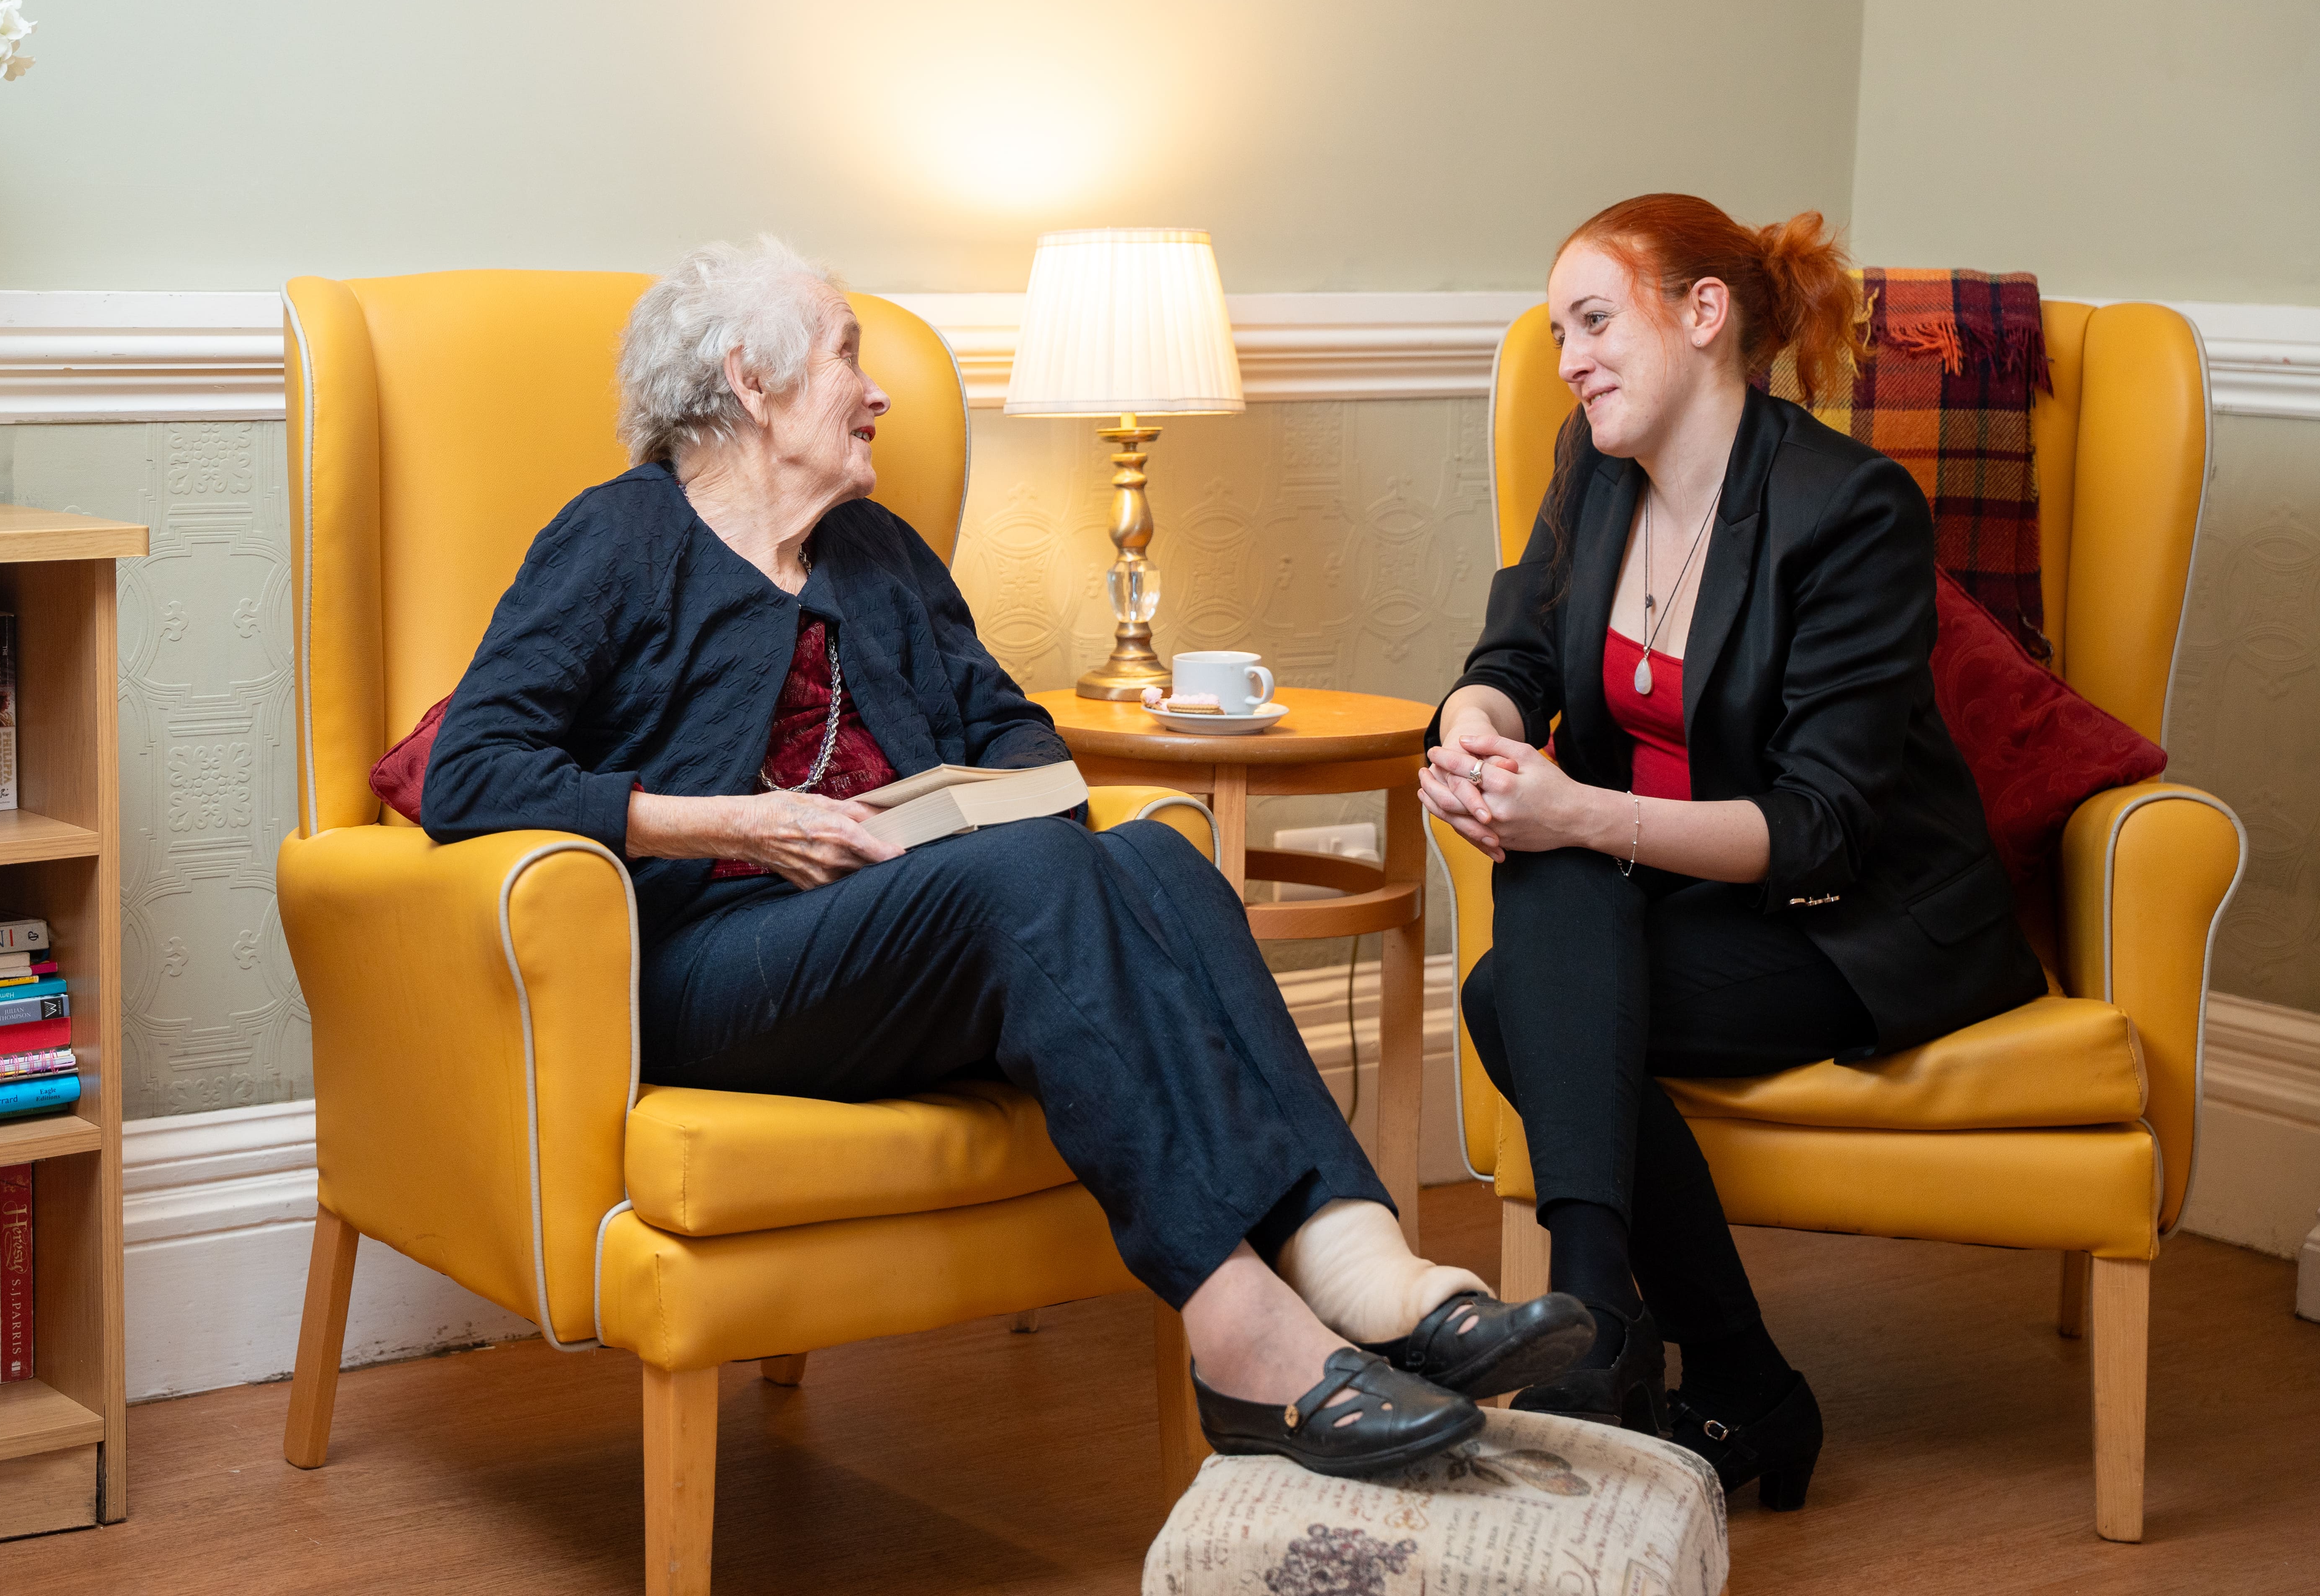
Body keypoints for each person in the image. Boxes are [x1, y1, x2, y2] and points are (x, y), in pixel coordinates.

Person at [425, 236, 1592, 1479]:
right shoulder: (616, 541)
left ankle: (1369, 1269)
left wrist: (982, 800)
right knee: (1025, 876)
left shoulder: (881, 554)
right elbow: (473, 770)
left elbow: (1010, 730)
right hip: (717, 963)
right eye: (845, 357)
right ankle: (1242, 1339)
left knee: (1161, 863)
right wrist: (727, 821)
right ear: (749, 383)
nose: (877, 393)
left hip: (923, 944)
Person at [1421, 194, 2046, 1507]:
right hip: (1679, 896)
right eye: (1556, 334)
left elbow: (1824, 824)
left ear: (1704, 315)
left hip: (1853, 920)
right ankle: (1691, 1357)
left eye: (1594, 321)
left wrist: (1575, 810)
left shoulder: (1847, 508)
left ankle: (1645, 1339)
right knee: (1544, 897)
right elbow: (1511, 658)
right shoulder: (1590, 471)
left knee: (1518, 970)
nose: (1570, 358)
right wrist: (1476, 735)